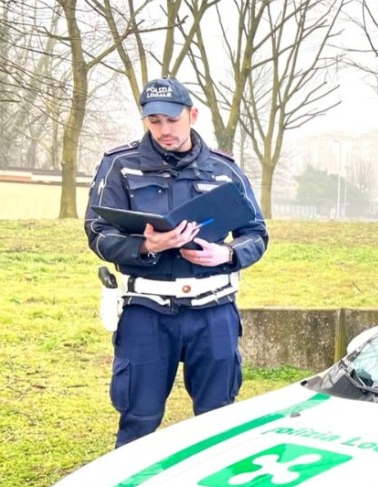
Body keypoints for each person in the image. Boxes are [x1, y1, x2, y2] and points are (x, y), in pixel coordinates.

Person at [85, 77, 268, 447]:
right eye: (154, 121)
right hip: (147, 312)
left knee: (218, 419)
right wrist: (146, 245)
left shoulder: (223, 170)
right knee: (139, 418)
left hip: (213, 310)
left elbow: (257, 234)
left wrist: (228, 254)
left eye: (172, 119)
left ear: (192, 115)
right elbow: (98, 233)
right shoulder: (120, 166)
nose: (164, 130)